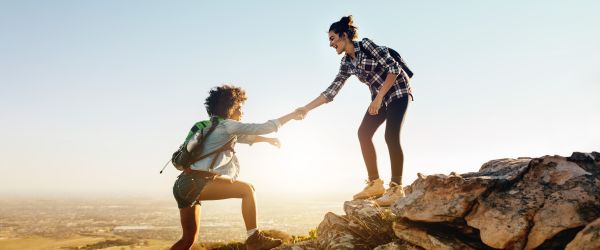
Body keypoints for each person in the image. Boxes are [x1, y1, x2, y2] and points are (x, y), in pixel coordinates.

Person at [296, 16, 413, 206]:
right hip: (380, 99)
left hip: (398, 90)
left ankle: (396, 188)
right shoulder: (346, 63)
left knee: (391, 136)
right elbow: (331, 92)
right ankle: (375, 183)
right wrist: (306, 109)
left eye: (332, 39)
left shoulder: (366, 45)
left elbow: (394, 69)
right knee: (363, 133)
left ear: (344, 35)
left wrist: (378, 97)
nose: (331, 44)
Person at [171, 84, 302, 250]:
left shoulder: (211, 126)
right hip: (196, 182)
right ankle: (254, 239)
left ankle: (254, 239)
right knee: (247, 190)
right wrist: (292, 115)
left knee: (188, 239)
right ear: (230, 108)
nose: (242, 112)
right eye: (239, 108)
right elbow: (265, 127)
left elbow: (247, 137)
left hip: (182, 185)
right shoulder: (228, 125)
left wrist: (267, 140)